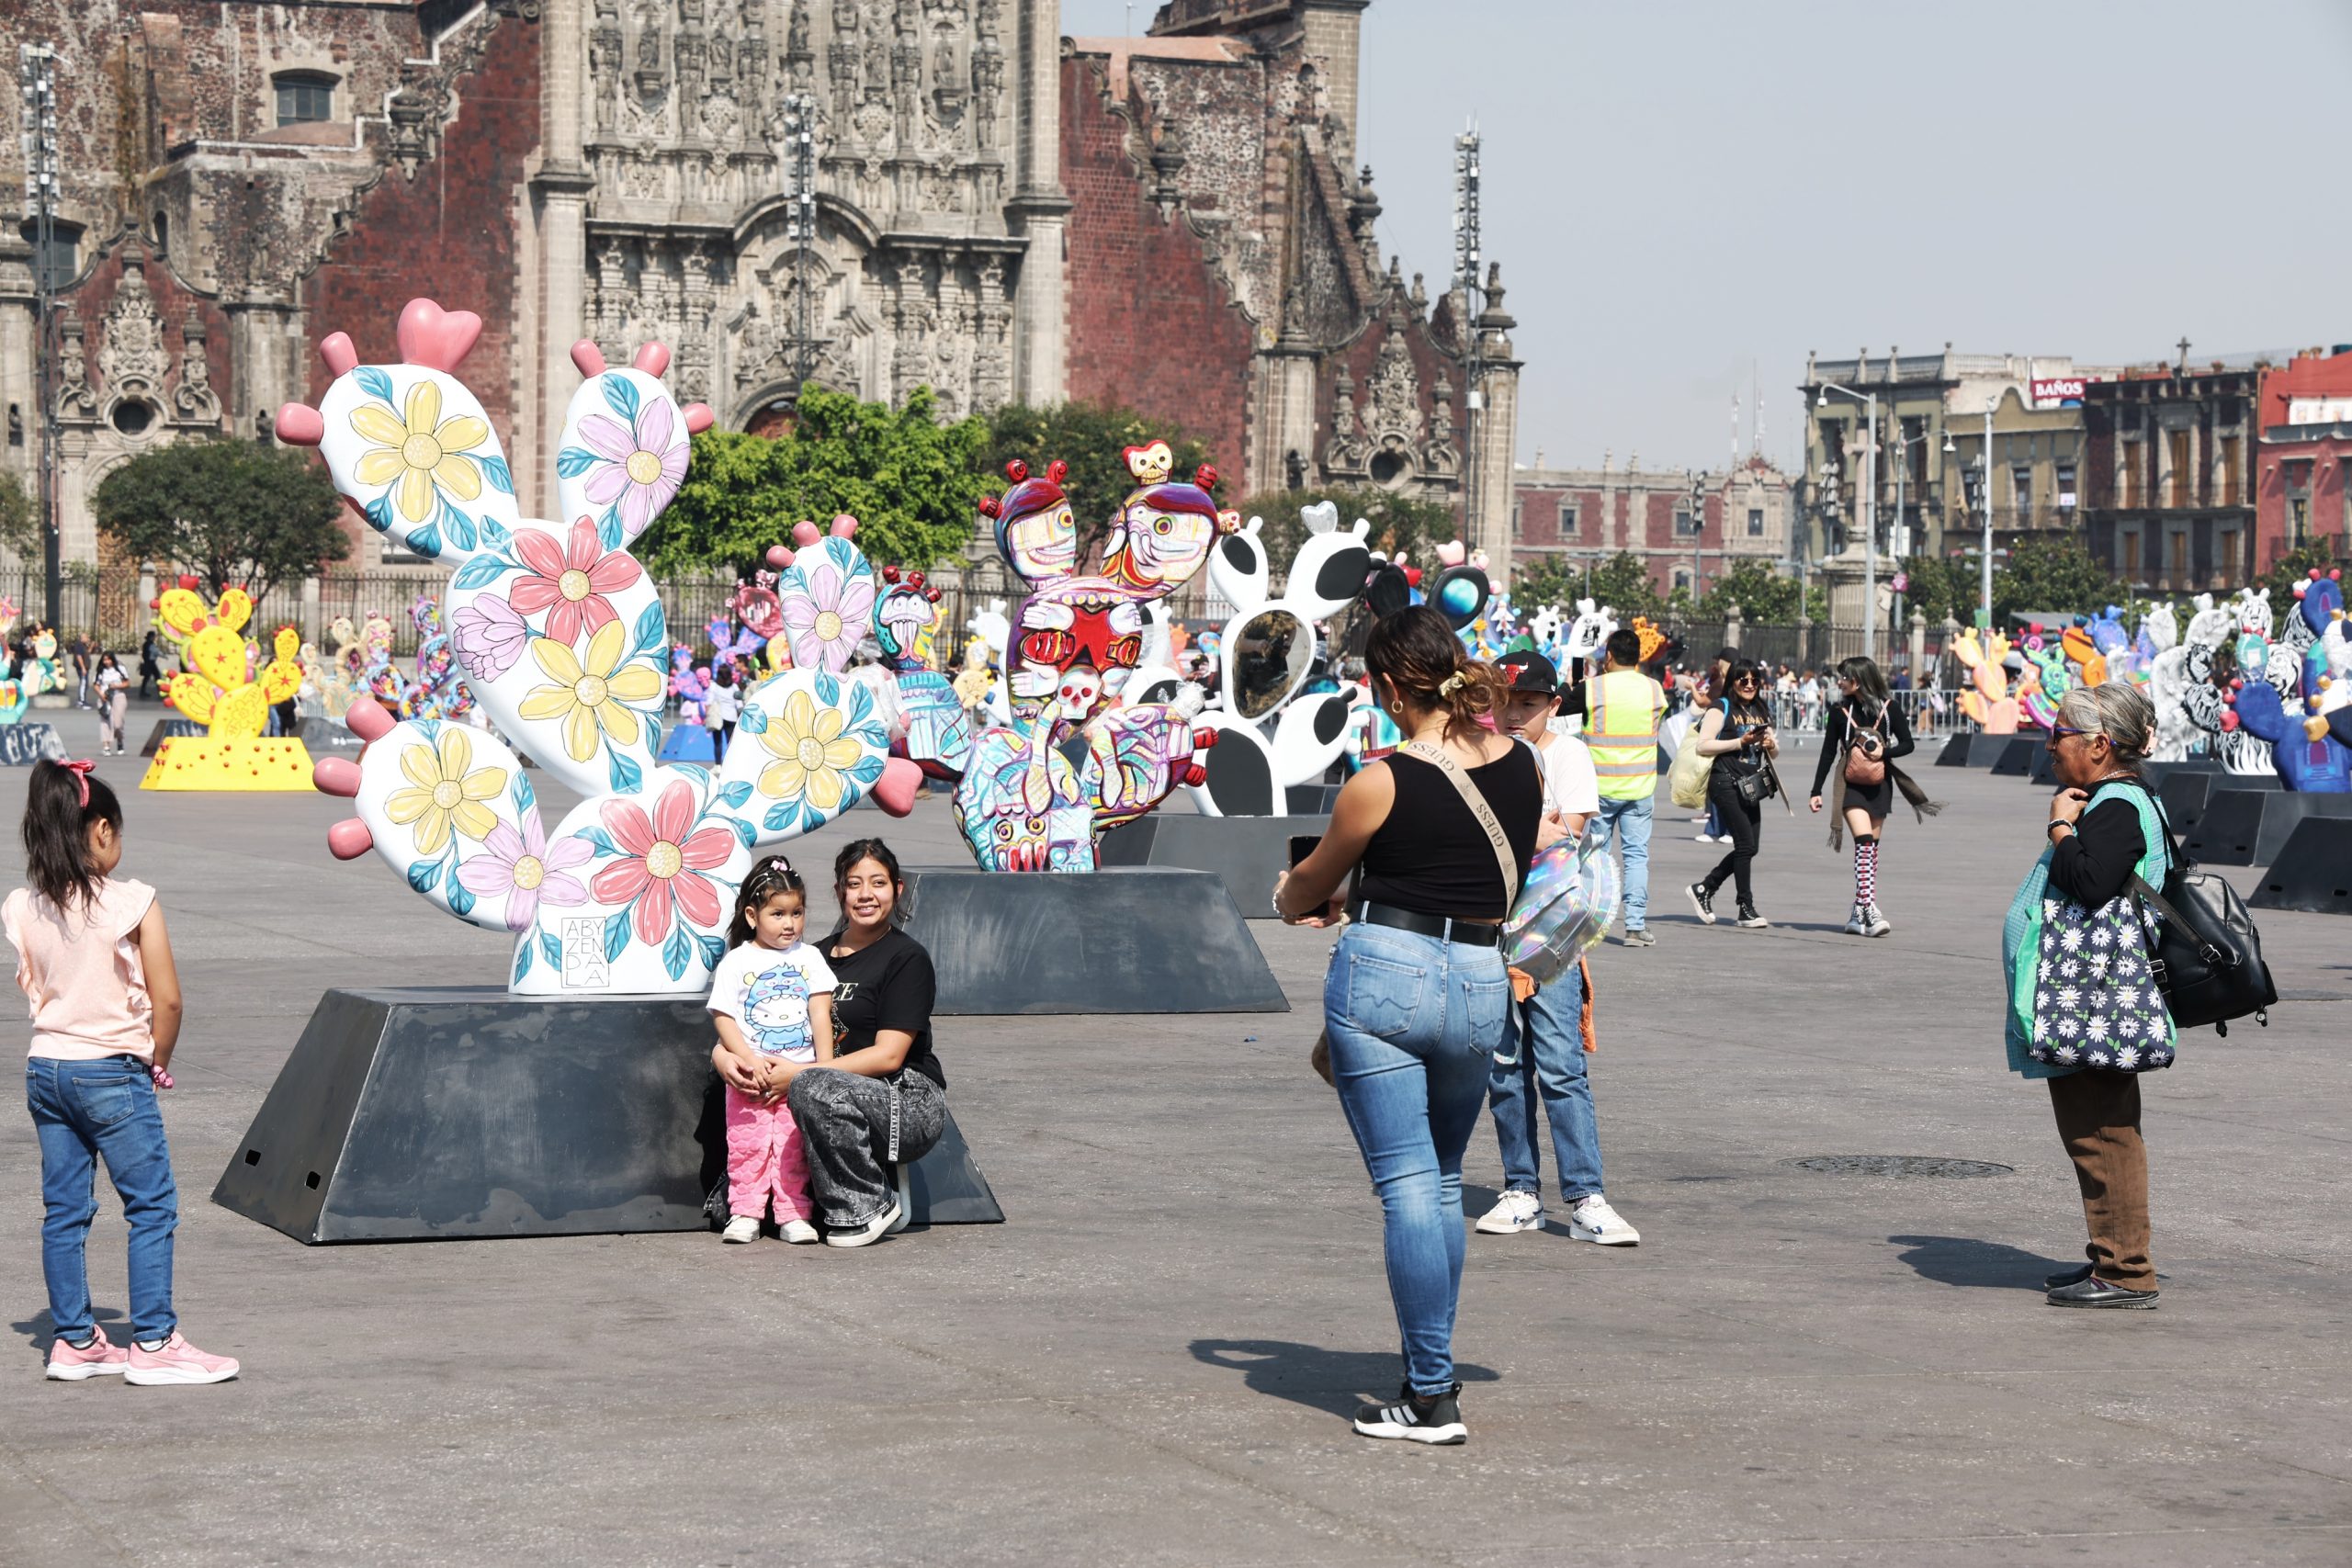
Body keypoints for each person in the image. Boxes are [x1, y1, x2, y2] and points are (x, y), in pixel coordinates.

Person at [1279, 605, 1539, 1445]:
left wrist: (1313, 895)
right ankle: (1429, 1376)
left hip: (1386, 977)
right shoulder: (1524, 765)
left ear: (1391, 685)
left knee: (1406, 1188)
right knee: (1441, 1179)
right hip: (1477, 979)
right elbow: (1475, 874)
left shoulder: (1378, 779)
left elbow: (1302, 887)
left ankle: (1432, 1392)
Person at [6, 758, 239, 1384]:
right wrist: (156, 1057)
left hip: (46, 1069)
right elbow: (169, 999)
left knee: (64, 1209)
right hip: (110, 1071)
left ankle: (76, 1339)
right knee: (151, 1205)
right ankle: (155, 1341)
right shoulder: (132, 901)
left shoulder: (24, 905)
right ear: (101, 829)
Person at [2003, 682, 2171, 1309]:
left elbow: (2092, 883)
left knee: (2104, 1131)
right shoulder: (2115, 800)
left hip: (2097, 999)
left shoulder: (2120, 804)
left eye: (2061, 736)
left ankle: (2127, 1269)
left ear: (2099, 745)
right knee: (2095, 1130)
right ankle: (2109, 1255)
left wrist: (2060, 826)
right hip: (2088, 997)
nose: (2051, 746)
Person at [1475, 650, 1640, 1247]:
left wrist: (1510, 828)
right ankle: (1521, 1188)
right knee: (1503, 1064)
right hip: (1490, 923)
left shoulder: (1567, 753)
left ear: (1552, 704)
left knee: (1562, 1063)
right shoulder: (1480, 750)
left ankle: (1585, 1194)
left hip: (1550, 927)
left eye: (1528, 702)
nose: (1514, 712)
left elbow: (1567, 830)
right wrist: (1527, 827)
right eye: (1505, 700)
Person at [760, 840, 947, 1247]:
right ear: (839, 891)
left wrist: (799, 1073)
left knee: (812, 1085)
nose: (865, 895)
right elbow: (753, 1017)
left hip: (906, 1099)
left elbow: (889, 1055)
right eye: (854, 884)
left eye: (877, 883)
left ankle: (869, 1204)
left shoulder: (906, 958)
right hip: (827, 1094)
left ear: (896, 890)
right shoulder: (811, 956)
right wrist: (726, 1058)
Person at [707, 855, 836, 1245]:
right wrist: (747, 1060)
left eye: (796, 913)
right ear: (752, 915)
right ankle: (744, 1211)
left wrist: (822, 1069)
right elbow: (724, 1018)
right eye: (778, 913)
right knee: (747, 1145)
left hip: (797, 1076)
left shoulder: (809, 957)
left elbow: (820, 1014)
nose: (789, 923)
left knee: (792, 1148)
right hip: (750, 1078)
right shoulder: (737, 961)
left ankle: (793, 1213)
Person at [1809, 655, 1939, 937]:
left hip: (1880, 784)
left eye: (1844, 677)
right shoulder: (1838, 711)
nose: (1839, 682)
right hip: (1850, 785)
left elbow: (1908, 744)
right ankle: (1869, 907)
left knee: (1871, 853)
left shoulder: (1890, 709)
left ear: (1857, 680)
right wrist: (1816, 790)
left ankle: (1857, 913)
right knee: (1864, 844)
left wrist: (1884, 752)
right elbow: (1828, 752)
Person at [1555, 627, 1665, 946]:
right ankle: (1635, 926)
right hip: (1640, 787)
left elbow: (1560, 707)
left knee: (1595, 856)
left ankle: (1591, 924)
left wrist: (1571, 685)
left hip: (1599, 787)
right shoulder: (1655, 690)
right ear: (1638, 657)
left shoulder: (1593, 689)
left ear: (1610, 656)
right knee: (1636, 855)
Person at [1684, 659, 1778, 930]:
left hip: (1751, 784)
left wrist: (1770, 745)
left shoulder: (1760, 709)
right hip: (1724, 781)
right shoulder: (1721, 707)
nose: (1749, 685)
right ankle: (1745, 907)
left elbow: (1773, 752)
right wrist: (1741, 741)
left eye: (1754, 681)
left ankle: (1705, 888)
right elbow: (1703, 746)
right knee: (1745, 845)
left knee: (1750, 847)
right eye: (1743, 680)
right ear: (1733, 682)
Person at [94, 653, 130, 757]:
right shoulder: (100, 671)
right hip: (105, 698)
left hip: (118, 696)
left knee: (118, 724)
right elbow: (96, 685)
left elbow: (127, 683)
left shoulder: (120, 669)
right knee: (105, 722)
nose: (106, 662)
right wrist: (101, 694)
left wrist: (116, 686)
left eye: (108, 660)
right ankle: (106, 746)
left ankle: (120, 741)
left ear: (112, 660)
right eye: (104, 660)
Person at [704, 663, 741, 761]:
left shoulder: (714, 686)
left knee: (717, 742)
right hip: (732, 717)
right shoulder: (734, 687)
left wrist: (706, 717)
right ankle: (731, 764)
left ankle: (718, 765)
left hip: (718, 717)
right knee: (731, 743)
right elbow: (739, 704)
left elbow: (708, 702)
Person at [138, 631, 161, 701]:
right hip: (150, 663)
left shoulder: (146, 644)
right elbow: (155, 652)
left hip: (148, 662)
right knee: (157, 676)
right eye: (154, 636)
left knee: (147, 677)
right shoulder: (150, 644)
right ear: (151, 637)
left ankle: (142, 691)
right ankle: (161, 691)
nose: (155, 638)